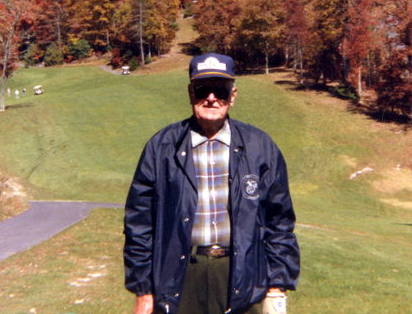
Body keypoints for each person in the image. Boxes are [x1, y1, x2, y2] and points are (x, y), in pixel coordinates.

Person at [124, 53, 300, 314]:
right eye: (202, 89)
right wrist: (143, 290)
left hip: (244, 278)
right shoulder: (160, 147)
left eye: (220, 90)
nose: (211, 98)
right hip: (179, 279)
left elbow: (280, 222)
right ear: (190, 92)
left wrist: (277, 288)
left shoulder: (260, 147)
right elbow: (139, 225)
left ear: (233, 95)